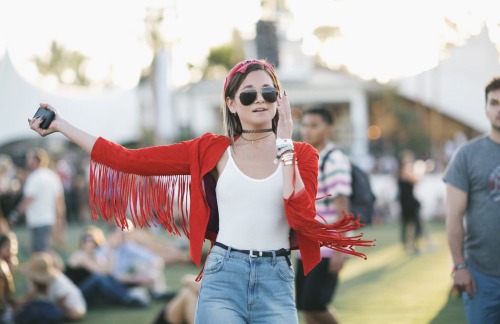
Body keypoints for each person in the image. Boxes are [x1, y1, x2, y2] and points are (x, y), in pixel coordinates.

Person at [28, 58, 372, 323]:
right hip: (224, 276)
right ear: (232, 103)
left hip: (277, 278)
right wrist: (61, 125)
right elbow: (128, 160)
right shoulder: (212, 150)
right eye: (248, 94)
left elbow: (299, 212)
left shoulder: (302, 154)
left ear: (279, 98)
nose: (260, 100)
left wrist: (284, 144)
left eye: (268, 92)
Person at [443, 77, 500, 323]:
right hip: (481, 275)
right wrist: (459, 266)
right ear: (486, 108)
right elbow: (454, 215)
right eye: (495, 103)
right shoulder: (467, 155)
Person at [297, 107, 352, 324]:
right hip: (307, 247)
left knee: (315, 305)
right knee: (306, 307)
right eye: (305, 125)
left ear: (329, 129)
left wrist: (340, 249)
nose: (307, 130)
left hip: (328, 249)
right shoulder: (307, 158)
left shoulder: (334, 159)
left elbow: (343, 205)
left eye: (314, 125)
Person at [65, 226, 149, 307]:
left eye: (94, 241)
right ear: (82, 243)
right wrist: (109, 247)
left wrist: (110, 249)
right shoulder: (79, 256)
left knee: (107, 277)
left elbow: (108, 272)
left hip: (85, 293)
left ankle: (129, 296)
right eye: (88, 241)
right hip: (74, 294)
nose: (92, 244)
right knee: (98, 278)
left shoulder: (95, 257)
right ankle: (126, 299)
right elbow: (100, 272)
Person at [8, 149, 66, 253]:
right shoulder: (53, 176)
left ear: (36, 161)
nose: (27, 162)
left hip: (37, 221)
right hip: (49, 220)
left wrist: (14, 215)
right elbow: (59, 202)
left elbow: (27, 201)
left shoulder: (34, 178)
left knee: (43, 254)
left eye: (29, 159)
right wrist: (60, 220)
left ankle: (58, 269)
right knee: (37, 251)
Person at [15, 252, 86, 323]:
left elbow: (61, 306)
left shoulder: (59, 282)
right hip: (55, 308)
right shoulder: (36, 281)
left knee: (37, 308)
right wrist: (18, 304)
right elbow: (29, 297)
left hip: (70, 310)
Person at [397, 150, 422, 254]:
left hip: (406, 200)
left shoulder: (401, 170)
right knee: (410, 223)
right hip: (408, 201)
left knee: (408, 223)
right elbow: (415, 180)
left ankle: (408, 244)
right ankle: (411, 244)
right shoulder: (406, 170)